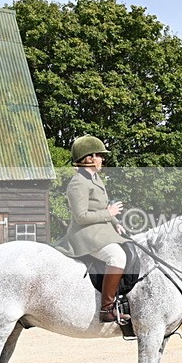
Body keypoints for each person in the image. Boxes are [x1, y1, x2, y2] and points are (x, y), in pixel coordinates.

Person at [55, 135, 129, 323]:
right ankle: (106, 309)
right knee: (117, 257)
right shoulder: (78, 183)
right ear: (89, 158)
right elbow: (81, 217)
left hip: (100, 230)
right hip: (85, 234)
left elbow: (102, 209)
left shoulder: (95, 179)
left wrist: (116, 223)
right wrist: (110, 213)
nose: (103, 160)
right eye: (100, 156)